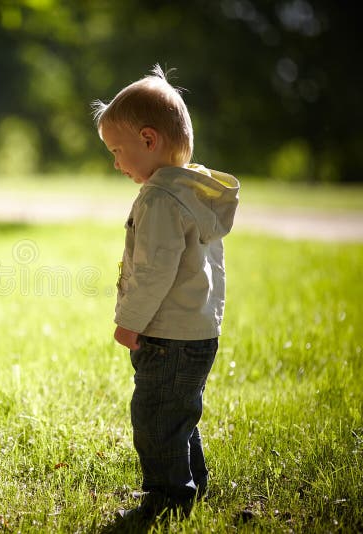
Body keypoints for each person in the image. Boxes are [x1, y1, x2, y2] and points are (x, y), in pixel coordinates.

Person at [91, 65, 239, 519]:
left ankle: (168, 495)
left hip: (167, 335)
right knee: (179, 415)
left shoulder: (158, 198)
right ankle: (189, 485)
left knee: (156, 418)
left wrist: (129, 321)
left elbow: (155, 271)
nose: (117, 163)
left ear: (149, 140)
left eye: (118, 151)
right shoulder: (192, 191)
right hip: (198, 331)